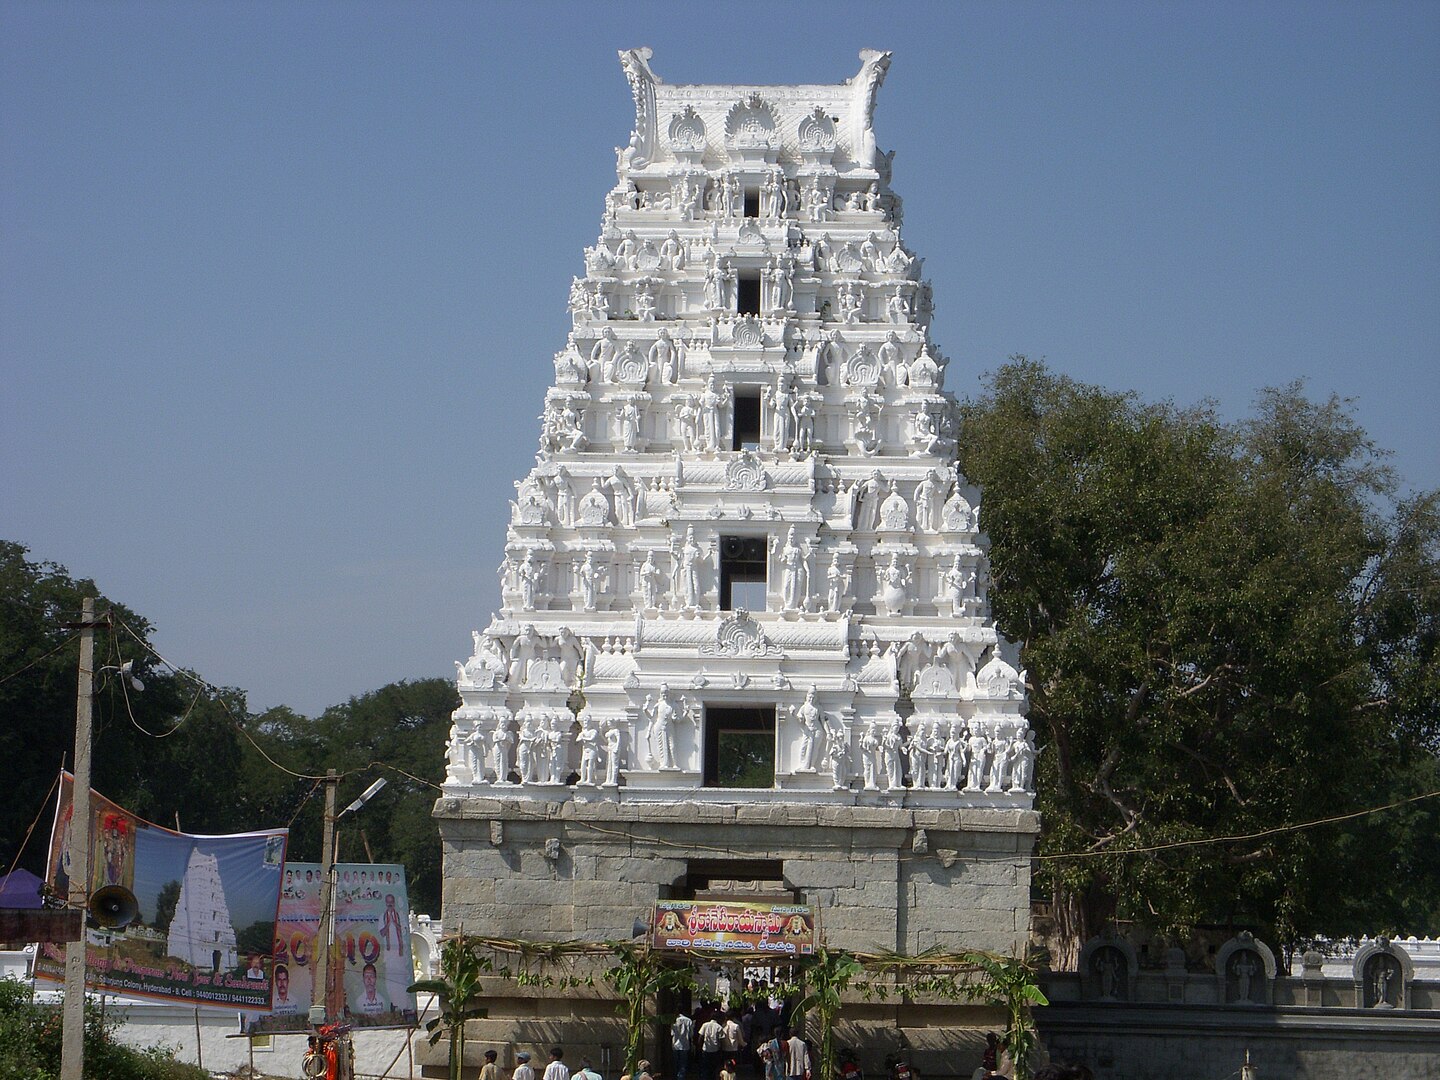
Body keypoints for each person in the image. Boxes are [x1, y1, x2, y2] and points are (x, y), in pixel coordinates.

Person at [699, 1010, 726, 1080]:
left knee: (705, 1068)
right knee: (714, 1068)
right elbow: (721, 1040)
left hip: (705, 1049)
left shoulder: (705, 1025)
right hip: (715, 1050)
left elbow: (700, 1037)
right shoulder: (719, 1027)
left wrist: (699, 1047)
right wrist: (721, 1049)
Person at [671, 1010, 695, 1080]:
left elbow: (672, 1033)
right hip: (685, 1045)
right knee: (683, 1064)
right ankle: (681, 1078)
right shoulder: (689, 1020)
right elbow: (691, 1034)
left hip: (675, 1045)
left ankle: (676, 1077)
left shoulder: (674, 1020)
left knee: (676, 1063)